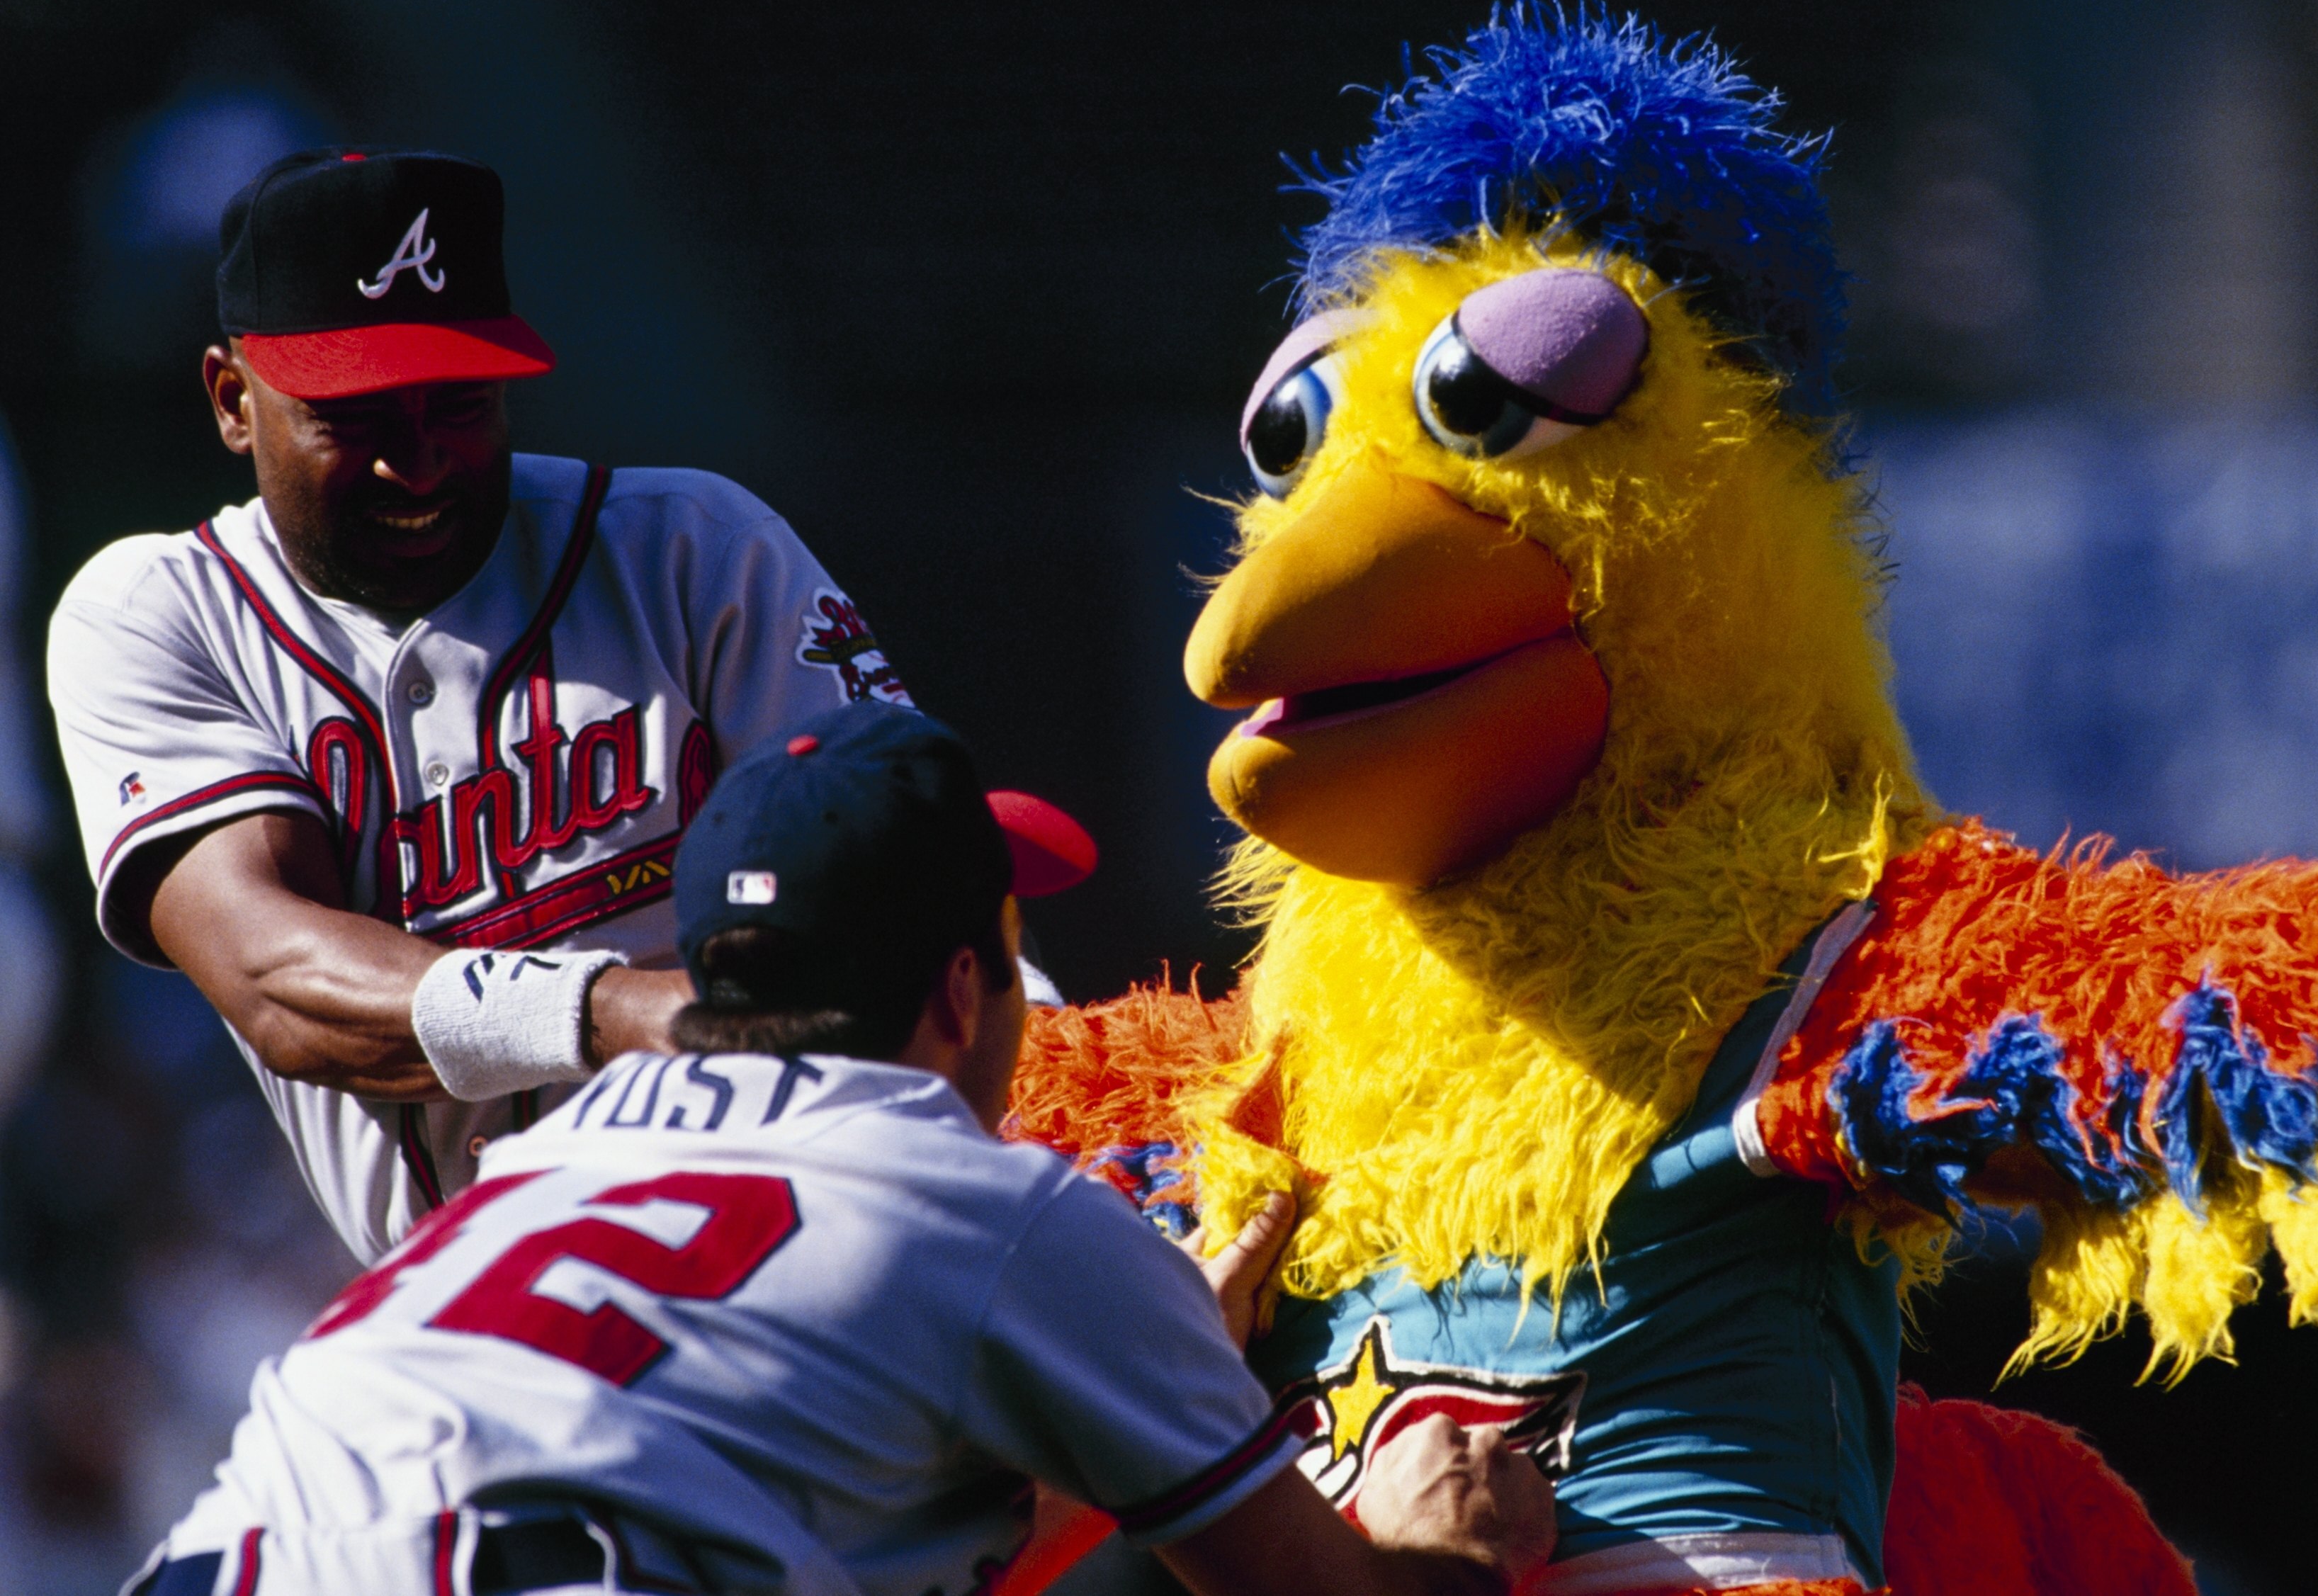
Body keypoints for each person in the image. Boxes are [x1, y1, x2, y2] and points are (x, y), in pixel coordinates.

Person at [122, 701, 1556, 1596]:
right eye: (1007, 949)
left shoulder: (550, 1159)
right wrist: (1448, 1554)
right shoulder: (1002, 1210)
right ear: (956, 992)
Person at [47, 147, 929, 1263]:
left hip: (799, 1236)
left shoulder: (695, 553)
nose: (417, 463)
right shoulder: (159, 614)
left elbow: (922, 884)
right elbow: (281, 984)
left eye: (457, 402)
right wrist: (618, 1013)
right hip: (476, 1315)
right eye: (356, 415)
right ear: (234, 400)